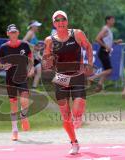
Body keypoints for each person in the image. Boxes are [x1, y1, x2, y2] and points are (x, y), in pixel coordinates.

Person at [42, 10, 93, 155]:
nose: (60, 22)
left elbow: (88, 47)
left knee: (77, 110)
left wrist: (89, 64)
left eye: (62, 19)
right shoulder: (49, 40)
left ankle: (78, 116)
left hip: (77, 75)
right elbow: (46, 61)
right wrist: (48, 61)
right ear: (54, 23)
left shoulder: (77, 34)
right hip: (60, 78)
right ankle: (74, 142)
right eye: (57, 20)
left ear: (67, 21)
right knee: (65, 116)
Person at [0, 24, 34, 141]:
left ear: (18, 33)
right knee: (13, 105)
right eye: (11, 32)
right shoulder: (3, 47)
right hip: (10, 78)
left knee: (25, 99)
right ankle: (14, 130)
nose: (13, 34)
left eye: (15, 32)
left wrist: (31, 69)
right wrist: (3, 65)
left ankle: (23, 116)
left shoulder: (24, 45)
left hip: (22, 76)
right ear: (8, 34)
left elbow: (30, 59)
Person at [92, 16, 122, 92]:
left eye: (114, 20)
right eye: (112, 20)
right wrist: (106, 47)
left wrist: (116, 42)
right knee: (109, 70)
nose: (113, 22)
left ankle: (99, 86)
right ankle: (92, 78)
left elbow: (107, 41)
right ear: (108, 21)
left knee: (107, 71)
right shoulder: (105, 29)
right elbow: (97, 39)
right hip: (103, 51)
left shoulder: (108, 30)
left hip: (105, 51)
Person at [23, 20, 42, 88]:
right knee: (30, 73)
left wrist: (38, 50)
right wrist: (32, 46)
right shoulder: (30, 32)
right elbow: (24, 41)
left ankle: (34, 88)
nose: (37, 27)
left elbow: (35, 47)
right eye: (36, 26)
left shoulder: (33, 34)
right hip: (29, 56)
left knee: (38, 71)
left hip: (34, 56)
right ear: (33, 26)